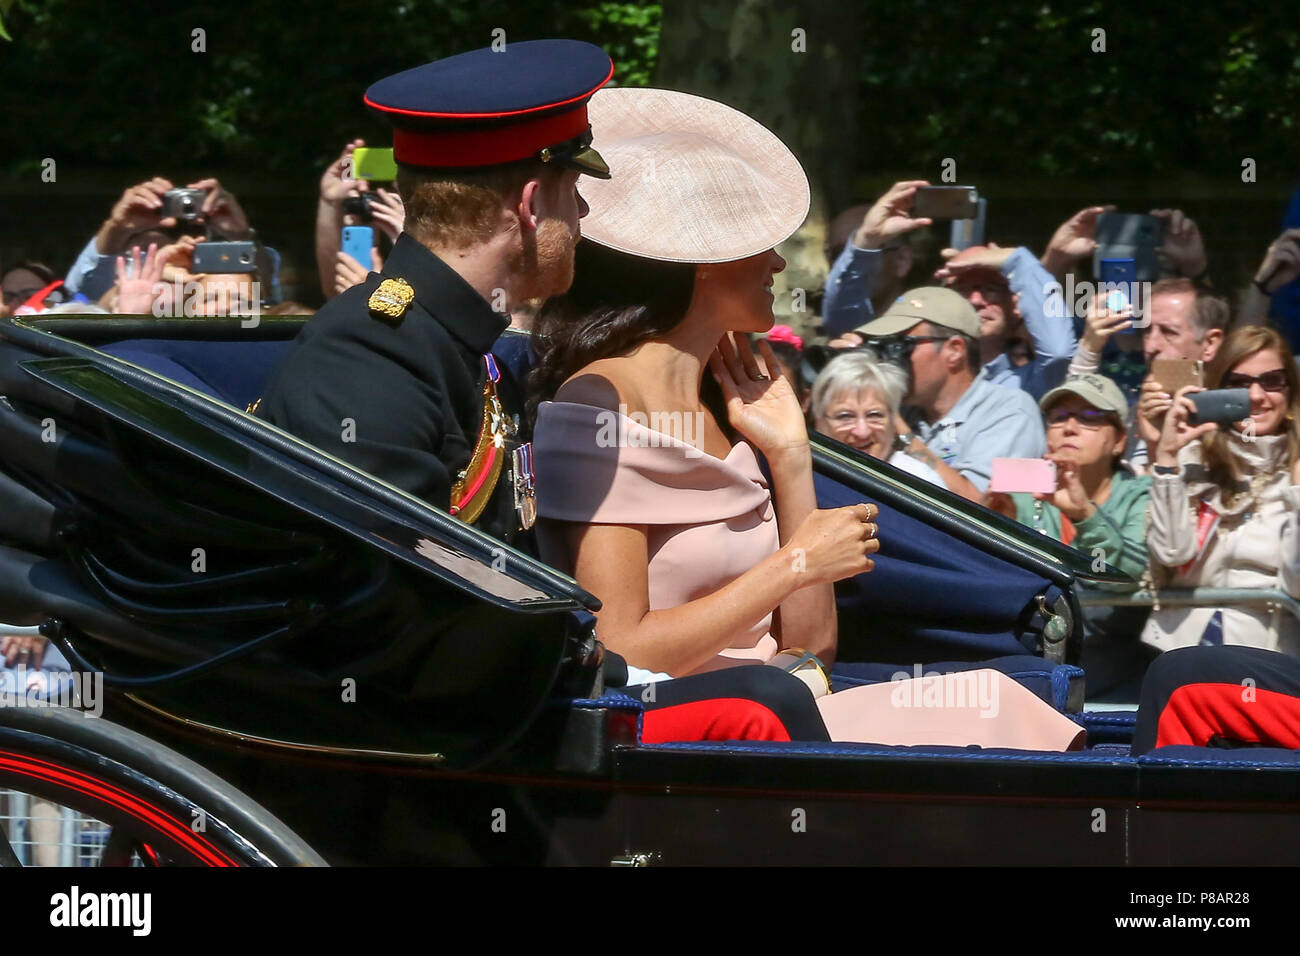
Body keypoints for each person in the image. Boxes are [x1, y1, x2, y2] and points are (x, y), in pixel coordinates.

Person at [530, 86, 1084, 751]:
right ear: (705, 262)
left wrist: (790, 457)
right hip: (706, 731)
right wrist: (791, 565)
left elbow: (812, 645)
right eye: (760, 244)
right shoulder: (603, 400)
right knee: (997, 716)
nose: (779, 262)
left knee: (1003, 694)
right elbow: (619, 650)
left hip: (785, 708)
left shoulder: (734, 396)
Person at [985, 372, 1153, 699]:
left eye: (1090, 418)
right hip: (1029, 666)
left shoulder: (1139, 493)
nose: (1070, 427)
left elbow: (1129, 572)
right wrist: (993, 520)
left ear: (1119, 440)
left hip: (1114, 674)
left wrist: (1084, 516)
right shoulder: (1023, 494)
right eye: (1059, 417)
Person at [824, 184, 1078, 399]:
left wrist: (1018, 261)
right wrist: (867, 241)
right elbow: (844, 324)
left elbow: (1058, 352)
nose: (977, 300)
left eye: (991, 289)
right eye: (964, 289)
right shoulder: (907, 375)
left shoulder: (1030, 384)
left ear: (1015, 307)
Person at [1144, 325, 1300, 655]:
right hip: (1178, 650)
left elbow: (1296, 585)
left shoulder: (1296, 469)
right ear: (1219, 389)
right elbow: (1172, 553)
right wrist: (1168, 458)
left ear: (1289, 391)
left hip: (1264, 656)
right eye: (1240, 384)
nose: (1257, 396)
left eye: (1271, 381)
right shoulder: (1194, 456)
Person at [852, 286, 1046, 500]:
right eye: (885, 346)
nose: (889, 359)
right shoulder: (905, 411)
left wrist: (898, 428)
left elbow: (980, 507)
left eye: (902, 346)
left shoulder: (1012, 411)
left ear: (955, 350)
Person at [810, 350, 942, 486]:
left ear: (893, 421)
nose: (862, 432)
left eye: (874, 415)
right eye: (845, 416)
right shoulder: (799, 479)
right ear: (819, 420)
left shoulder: (920, 481)